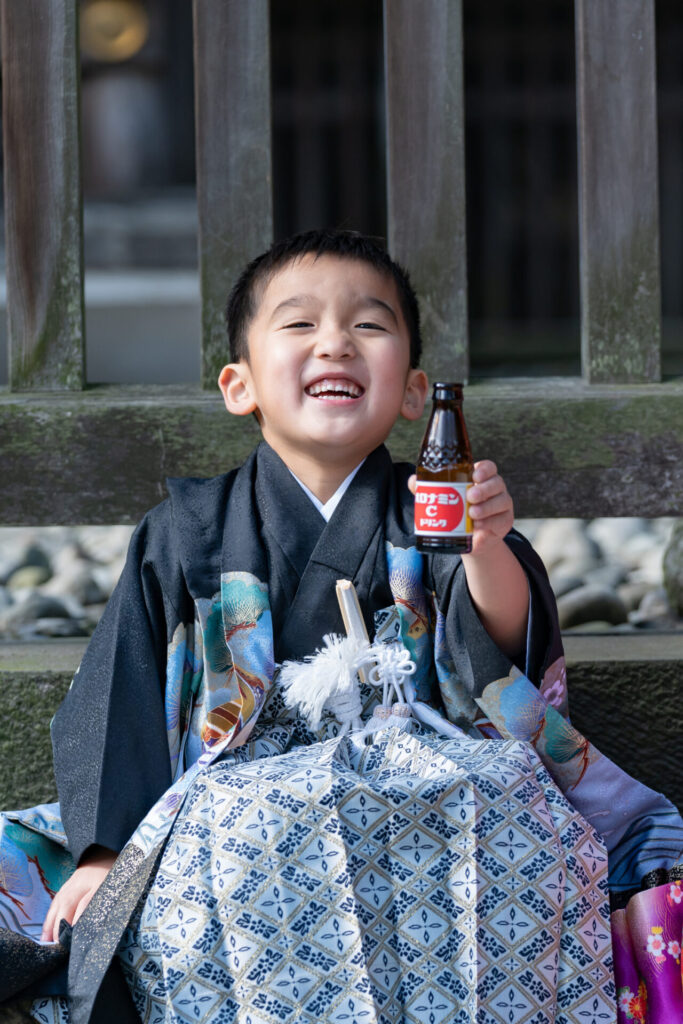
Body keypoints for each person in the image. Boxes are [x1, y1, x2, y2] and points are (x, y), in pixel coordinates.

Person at [1, 230, 678, 1024]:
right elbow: (121, 693)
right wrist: (106, 852)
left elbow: (498, 654)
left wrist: (484, 544)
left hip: (424, 794)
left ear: (416, 391)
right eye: (298, 325)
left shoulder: (436, 509)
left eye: (369, 325)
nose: (335, 343)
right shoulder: (187, 530)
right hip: (237, 811)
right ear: (239, 385)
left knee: (504, 811)